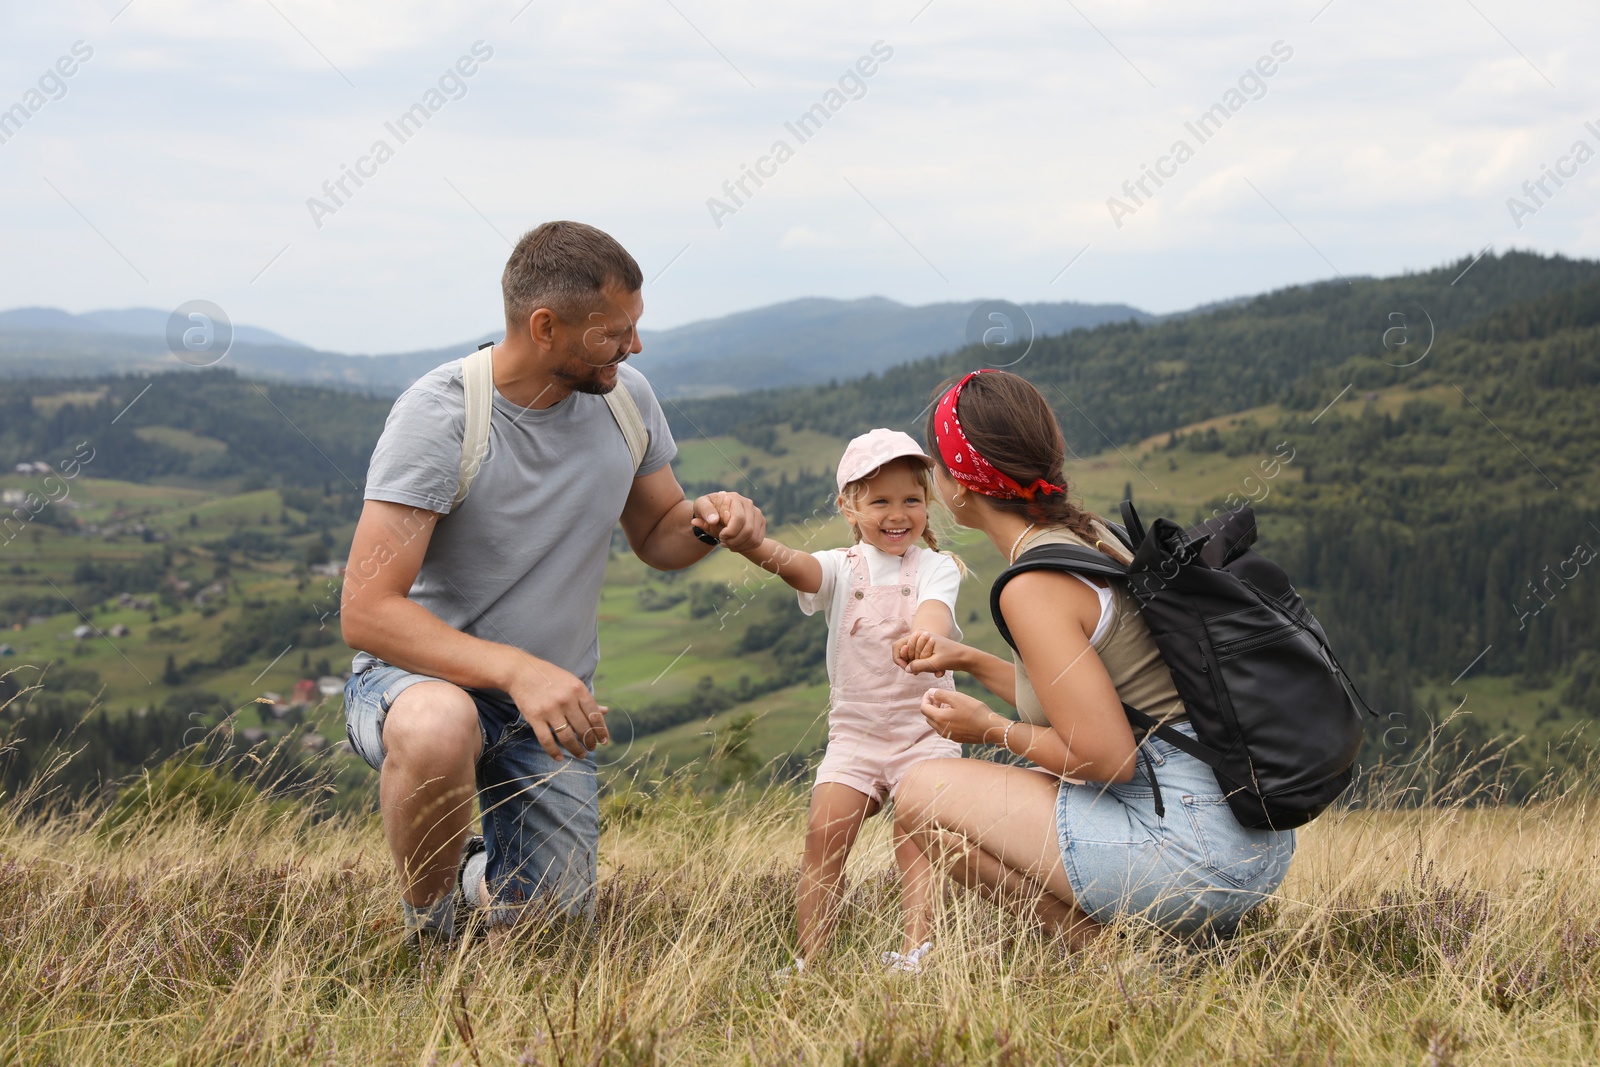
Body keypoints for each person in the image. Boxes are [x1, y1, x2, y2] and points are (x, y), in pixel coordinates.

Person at [339, 221, 766, 944]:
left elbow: (658, 530)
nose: (635, 347)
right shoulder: (442, 414)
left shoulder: (627, 399)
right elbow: (366, 613)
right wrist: (519, 670)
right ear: (545, 326)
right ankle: (429, 928)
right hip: (417, 682)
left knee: (553, 934)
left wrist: (708, 522)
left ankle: (477, 874)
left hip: (549, 707)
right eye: (616, 332)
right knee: (440, 724)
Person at [892, 370, 1294, 950]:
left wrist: (990, 730)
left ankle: (1116, 963)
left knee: (920, 792)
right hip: (1248, 836)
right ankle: (1165, 946)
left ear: (960, 482)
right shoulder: (1093, 537)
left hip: (1191, 848)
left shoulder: (1032, 585)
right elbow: (1087, 702)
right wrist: (976, 662)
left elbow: (1107, 757)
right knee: (969, 808)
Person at [733, 429, 966, 975]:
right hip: (855, 736)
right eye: (879, 501)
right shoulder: (840, 567)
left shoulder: (935, 566)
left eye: (911, 499)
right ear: (849, 506)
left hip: (924, 731)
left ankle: (917, 953)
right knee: (824, 836)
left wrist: (924, 639)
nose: (897, 513)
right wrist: (752, 546)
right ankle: (811, 959)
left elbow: (935, 612)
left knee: (919, 839)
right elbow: (795, 565)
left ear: (925, 503)